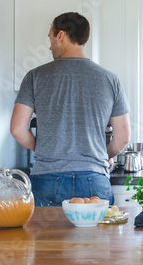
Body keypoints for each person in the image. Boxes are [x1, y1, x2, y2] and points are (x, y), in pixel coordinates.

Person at [10, 12, 131, 206]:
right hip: (94, 179)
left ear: (61, 35)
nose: (50, 46)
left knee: (47, 228)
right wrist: (101, 156)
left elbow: (17, 129)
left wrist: (43, 148)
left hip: (47, 179)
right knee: (96, 228)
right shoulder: (110, 80)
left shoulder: (35, 77)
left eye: (50, 38)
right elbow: (123, 137)